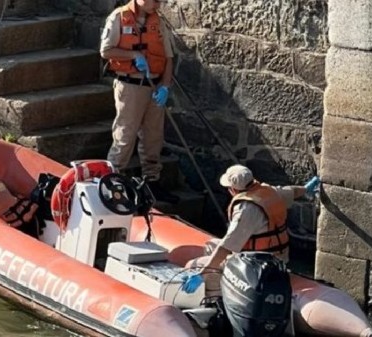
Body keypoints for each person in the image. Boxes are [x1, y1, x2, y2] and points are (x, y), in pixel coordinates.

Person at [181, 164, 320, 297]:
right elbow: (293, 191)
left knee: (194, 266)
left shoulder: (246, 209)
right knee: (210, 245)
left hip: (256, 266)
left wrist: (202, 274)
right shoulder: (269, 192)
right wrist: (306, 188)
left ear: (233, 190)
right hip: (278, 258)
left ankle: (218, 300)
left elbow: (227, 246)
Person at [99, 0, 179, 204]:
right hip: (130, 85)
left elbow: (168, 57)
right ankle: (112, 180)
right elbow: (106, 51)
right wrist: (133, 54)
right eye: (154, 1)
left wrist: (165, 86)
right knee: (125, 134)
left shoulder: (158, 22)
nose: (158, 5)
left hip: (155, 87)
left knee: (153, 136)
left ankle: (151, 181)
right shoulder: (118, 17)